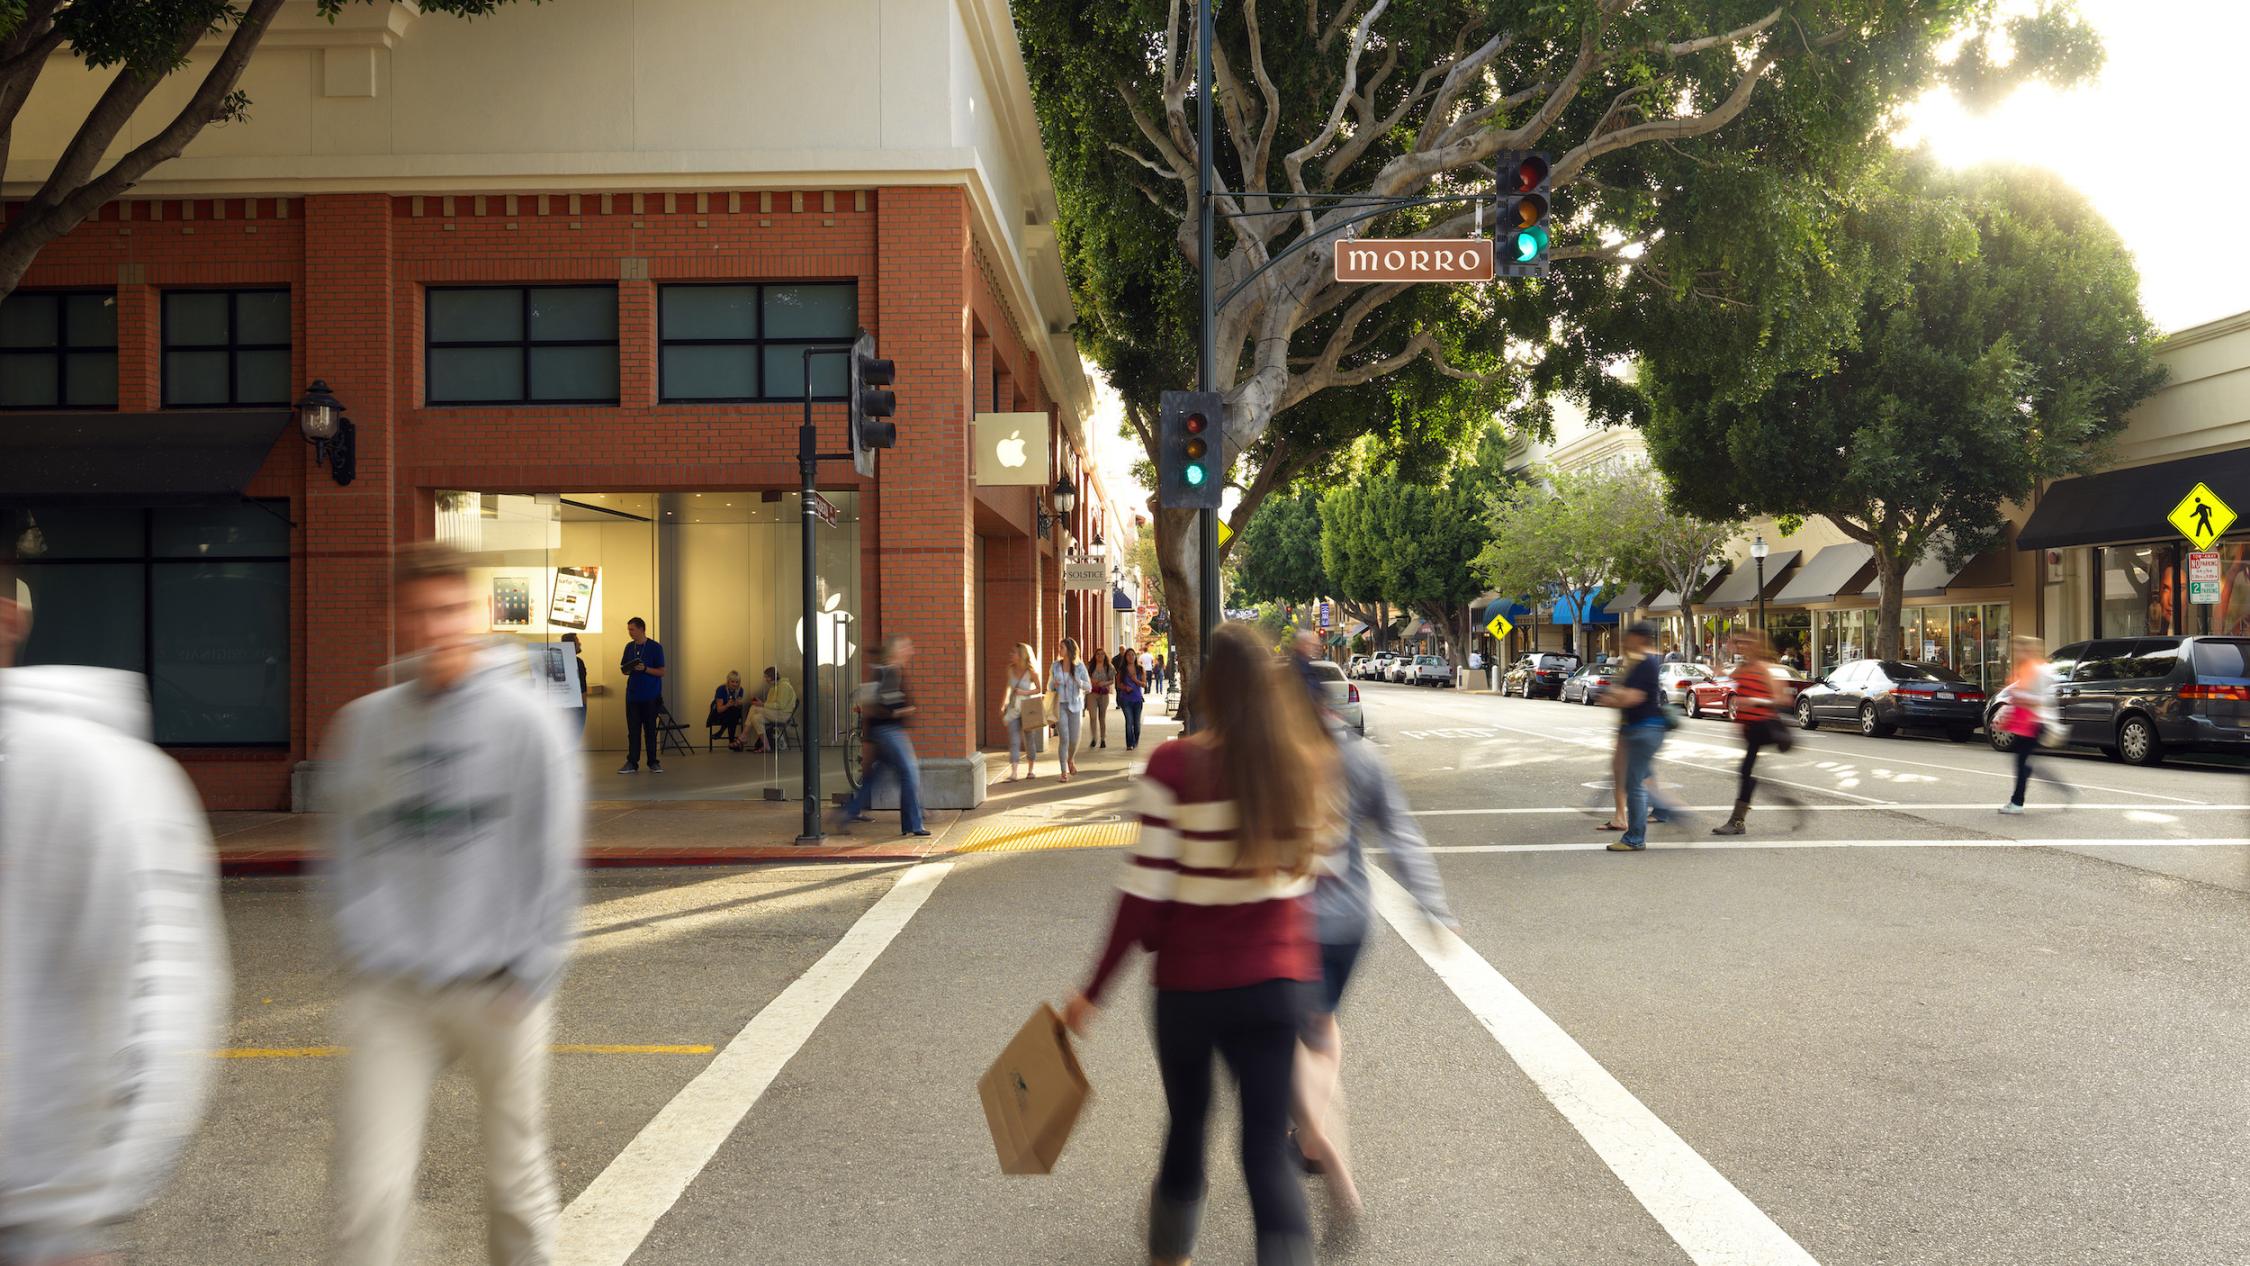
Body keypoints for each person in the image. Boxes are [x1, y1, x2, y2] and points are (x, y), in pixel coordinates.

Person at [323, 543, 584, 1266]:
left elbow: (552, 856)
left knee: (513, 1182)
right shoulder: (366, 727)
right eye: (420, 615)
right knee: (368, 1196)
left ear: (473, 613)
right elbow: (348, 849)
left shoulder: (527, 723)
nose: (437, 628)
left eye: (449, 610)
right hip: (395, 989)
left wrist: (532, 968)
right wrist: (364, 944)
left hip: (499, 988)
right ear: (397, 623)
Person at [1062, 622, 1338, 1266]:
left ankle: (1171, 1256)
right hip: (1277, 988)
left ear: (1207, 689)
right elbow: (1310, 887)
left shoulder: (1174, 765)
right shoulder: (1303, 766)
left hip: (1189, 990)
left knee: (1188, 1125)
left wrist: (1092, 992)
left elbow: (1142, 896)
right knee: (1266, 1151)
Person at [0, 554, 229, 1266]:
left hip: (39, 1210)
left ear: (9, 620)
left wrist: (95, 1195)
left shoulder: (101, 774)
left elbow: (169, 992)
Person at [1293, 704, 1453, 1219]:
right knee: (1321, 1027)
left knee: (1290, 1038)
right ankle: (1308, 1129)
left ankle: (1319, 1141)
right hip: (1349, 922)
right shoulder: (1362, 757)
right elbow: (1400, 833)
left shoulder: (1273, 756)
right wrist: (1432, 905)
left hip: (1290, 921)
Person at [832, 636, 930, 837]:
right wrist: (904, 711)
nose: (910, 651)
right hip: (889, 732)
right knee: (909, 773)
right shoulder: (889, 672)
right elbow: (885, 707)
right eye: (906, 647)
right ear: (895, 651)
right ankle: (914, 824)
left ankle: (846, 813)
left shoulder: (888, 671)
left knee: (873, 778)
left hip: (884, 732)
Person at [1601, 622, 1682, 851]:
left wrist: (1613, 698)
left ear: (1639, 638)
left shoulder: (1645, 663)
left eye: (1629, 637)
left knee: (1634, 784)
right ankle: (1667, 809)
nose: (1625, 640)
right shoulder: (1642, 662)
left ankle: (1635, 838)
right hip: (1639, 730)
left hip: (1644, 729)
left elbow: (1634, 698)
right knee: (1640, 778)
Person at [1711, 630, 1794, 836]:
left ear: (1758, 645)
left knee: (1746, 770)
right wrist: (1724, 649)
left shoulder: (1764, 669)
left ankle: (1737, 821)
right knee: (1748, 772)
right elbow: (1718, 671)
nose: (1743, 646)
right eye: (1741, 643)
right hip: (1750, 729)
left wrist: (1755, 701)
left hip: (1763, 727)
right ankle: (1780, 802)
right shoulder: (1743, 669)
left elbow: (1782, 700)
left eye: (1747, 643)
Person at [1994, 635, 2061, 815]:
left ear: (2030, 650)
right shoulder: (2028, 669)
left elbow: (2044, 699)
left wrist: (2022, 698)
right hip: (2030, 721)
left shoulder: (2041, 671)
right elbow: (2015, 694)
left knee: (2022, 761)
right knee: (2025, 761)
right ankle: (2060, 790)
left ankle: (2017, 802)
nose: (2017, 652)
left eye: (2020, 649)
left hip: (2038, 721)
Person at [617, 616, 666, 774]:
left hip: (651, 695)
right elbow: (624, 668)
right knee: (633, 731)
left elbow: (661, 671)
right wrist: (629, 668)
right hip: (632, 696)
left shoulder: (655, 647)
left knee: (650, 730)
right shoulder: (629, 647)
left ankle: (653, 762)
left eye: (632, 629)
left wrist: (645, 669)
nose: (630, 633)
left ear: (641, 629)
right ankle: (632, 762)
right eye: (628, 630)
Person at [1050, 637, 1090, 782]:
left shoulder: (1079, 666)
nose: (1059, 649)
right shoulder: (1055, 666)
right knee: (1064, 738)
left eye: (1061, 647)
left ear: (1069, 649)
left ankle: (1070, 759)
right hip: (1060, 705)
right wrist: (1054, 684)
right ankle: (1063, 772)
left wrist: (1078, 681)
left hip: (1075, 706)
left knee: (1074, 740)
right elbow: (1049, 687)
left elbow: (1089, 687)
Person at [1002, 642, 1044, 782]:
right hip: (1014, 709)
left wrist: (1024, 692)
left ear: (1021, 655)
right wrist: (1004, 702)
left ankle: (1030, 770)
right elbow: (1009, 687)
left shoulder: (1031, 671)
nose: (1011, 655)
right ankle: (1014, 772)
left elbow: (1039, 689)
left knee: (1029, 739)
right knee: (1014, 740)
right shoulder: (1010, 669)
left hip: (1027, 709)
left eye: (1014, 653)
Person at [745, 667, 796, 754]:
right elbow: (770, 705)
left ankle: (743, 735)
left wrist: (762, 705)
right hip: (775, 713)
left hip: (783, 714)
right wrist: (761, 703)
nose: (765, 679)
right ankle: (766, 746)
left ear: (771, 676)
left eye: (766, 677)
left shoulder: (784, 686)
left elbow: (781, 705)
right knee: (755, 718)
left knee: (754, 708)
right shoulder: (773, 688)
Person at [1114, 644, 1147, 752]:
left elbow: (1144, 684)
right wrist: (1125, 687)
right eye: (1128, 655)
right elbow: (1118, 684)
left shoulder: (1140, 669)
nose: (1131, 657)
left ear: (1135, 657)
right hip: (1126, 700)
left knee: (1136, 724)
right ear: (1125, 657)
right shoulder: (1122, 670)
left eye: (1133, 655)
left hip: (1137, 700)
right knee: (1129, 721)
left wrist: (1135, 680)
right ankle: (1129, 744)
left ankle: (1135, 740)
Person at [709, 670, 749, 750]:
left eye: (737, 682)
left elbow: (738, 703)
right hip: (720, 714)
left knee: (734, 711)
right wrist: (727, 705)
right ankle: (732, 742)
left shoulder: (740, 690)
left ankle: (722, 732)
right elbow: (719, 709)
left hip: (732, 714)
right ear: (728, 681)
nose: (735, 684)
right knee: (733, 713)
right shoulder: (721, 689)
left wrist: (738, 703)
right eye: (732, 681)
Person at [1087, 643, 1115, 749]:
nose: (1100, 656)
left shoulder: (1109, 667)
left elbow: (1112, 680)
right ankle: (1094, 738)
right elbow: (1084, 678)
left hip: (1103, 694)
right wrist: (1092, 681)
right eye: (1098, 654)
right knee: (1093, 716)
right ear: (1095, 656)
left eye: (1102, 654)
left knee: (1102, 717)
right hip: (1092, 694)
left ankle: (1103, 739)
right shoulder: (1090, 666)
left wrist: (1104, 683)